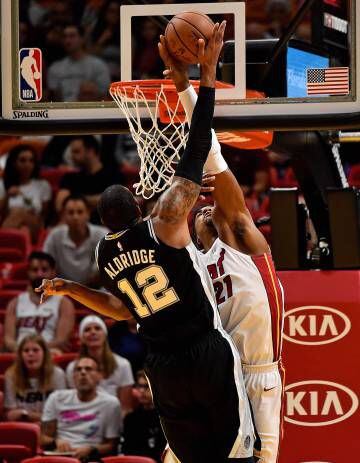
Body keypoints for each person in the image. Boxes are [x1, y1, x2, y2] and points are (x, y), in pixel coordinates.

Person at [37, 22, 256, 463]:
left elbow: (122, 310)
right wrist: (202, 80)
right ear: (139, 206)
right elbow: (196, 150)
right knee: (237, 456)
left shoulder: (105, 252)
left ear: (105, 223)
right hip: (203, 353)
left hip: (161, 366)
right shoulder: (165, 222)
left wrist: (68, 287)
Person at [166, 58, 285, 463]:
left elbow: (211, 153)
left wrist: (194, 85)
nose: (201, 210)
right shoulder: (188, 262)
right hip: (213, 374)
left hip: (255, 374)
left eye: (205, 206)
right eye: (195, 209)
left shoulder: (240, 240)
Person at [41, 356, 122, 461]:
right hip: (60, 456)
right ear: (73, 376)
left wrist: (91, 449)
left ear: (99, 376)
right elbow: (42, 438)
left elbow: (111, 446)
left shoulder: (111, 404)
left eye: (88, 369)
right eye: (78, 369)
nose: (83, 373)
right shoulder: (57, 398)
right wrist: (56, 441)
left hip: (92, 457)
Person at [4, 251, 75, 354]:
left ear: (53, 272)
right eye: (35, 270)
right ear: (28, 272)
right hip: (19, 356)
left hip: (50, 356)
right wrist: (25, 352)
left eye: (44, 270)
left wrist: (34, 351)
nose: (39, 274)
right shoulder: (15, 303)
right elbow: (8, 340)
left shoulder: (64, 304)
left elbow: (61, 340)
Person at [66, 315, 134, 415]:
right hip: (82, 418)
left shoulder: (123, 365)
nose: (93, 332)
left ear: (105, 334)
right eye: (87, 329)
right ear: (81, 337)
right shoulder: (73, 368)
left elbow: (125, 408)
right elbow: (73, 404)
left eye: (97, 328)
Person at [55, 135, 124, 222]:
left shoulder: (113, 175)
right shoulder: (70, 177)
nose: (72, 156)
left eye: (76, 152)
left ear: (90, 151)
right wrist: (95, 201)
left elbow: (114, 202)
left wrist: (79, 200)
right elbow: (60, 204)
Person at [44, 195, 107, 286]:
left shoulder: (102, 235)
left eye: (80, 212)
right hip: (62, 291)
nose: (75, 217)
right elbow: (46, 266)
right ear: (63, 215)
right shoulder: (55, 236)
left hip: (95, 291)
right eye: (70, 212)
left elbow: (106, 271)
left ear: (88, 214)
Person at [4, 334, 66, 423]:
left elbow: (60, 414)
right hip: (23, 426)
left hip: (51, 426)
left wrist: (26, 414)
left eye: (35, 350)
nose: (30, 354)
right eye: (26, 350)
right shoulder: (11, 375)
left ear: (45, 354)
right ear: (20, 355)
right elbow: (11, 415)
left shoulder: (57, 374)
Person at [0, 144, 52, 242]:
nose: (27, 164)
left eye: (31, 160)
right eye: (23, 160)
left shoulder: (42, 185)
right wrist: (7, 196)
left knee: (19, 213)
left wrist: (26, 213)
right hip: (10, 222)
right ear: (14, 163)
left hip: (35, 225)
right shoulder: (2, 184)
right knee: (23, 230)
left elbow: (45, 215)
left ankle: (2, 241)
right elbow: (1, 213)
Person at [47, 23, 111, 102]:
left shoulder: (98, 65)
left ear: (82, 39)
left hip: (90, 110)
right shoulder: (55, 68)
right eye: (64, 37)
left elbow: (105, 95)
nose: (67, 40)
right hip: (64, 111)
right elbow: (53, 98)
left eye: (72, 36)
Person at [120, 370, 166, 463]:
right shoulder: (131, 418)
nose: (141, 390)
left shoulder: (166, 418)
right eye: (139, 386)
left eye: (146, 386)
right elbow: (127, 450)